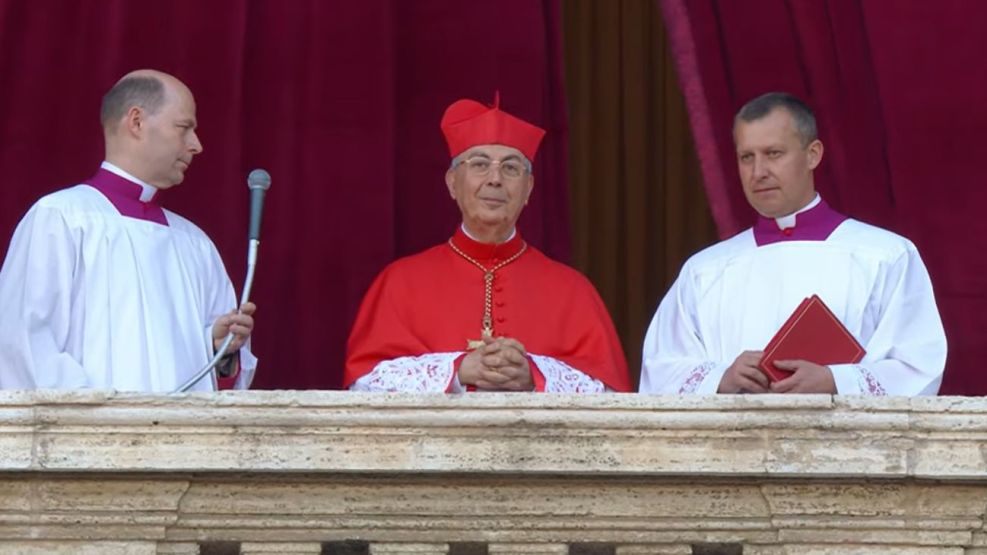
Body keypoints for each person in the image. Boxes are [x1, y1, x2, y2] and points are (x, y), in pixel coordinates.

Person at [639, 92, 946, 396]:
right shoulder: (705, 270)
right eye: (747, 157)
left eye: (773, 153)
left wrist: (834, 381)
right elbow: (661, 369)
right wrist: (722, 377)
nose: (758, 172)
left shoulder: (885, 256)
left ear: (813, 154)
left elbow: (917, 364)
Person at [345, 94, 631, 393]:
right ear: (453, 183)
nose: (495, 179)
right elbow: (362, 384)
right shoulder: (399, 282)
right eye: (480, 164)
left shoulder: (574, 290)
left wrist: (536, 376)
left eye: (511, 168)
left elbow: (612, 398)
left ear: (528, 188)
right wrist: (457, 370)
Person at [0, 69, 257, 391]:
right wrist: (102, 420)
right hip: (88, 435)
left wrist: (217, 347)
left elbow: (217, 379)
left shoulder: (194, 243)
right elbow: (23, 342)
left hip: (185, 438)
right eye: (184, 128)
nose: (196, 145)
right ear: (136, 122)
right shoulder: (62, 218)